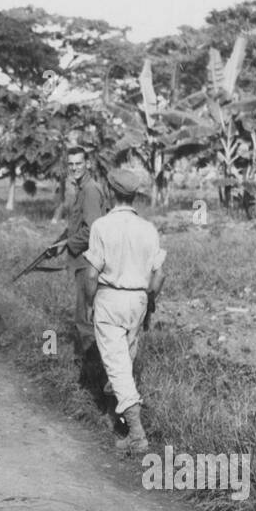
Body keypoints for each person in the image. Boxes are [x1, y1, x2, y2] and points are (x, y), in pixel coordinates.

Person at [81, 167, 167, 451]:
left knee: (117, 364)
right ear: (134, 196)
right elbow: (159, 275)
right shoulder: (148, 228)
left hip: (110, 297)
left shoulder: (102, 227)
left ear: (109, 192)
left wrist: (90, 302)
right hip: (138, 299)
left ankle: (137, 434)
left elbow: (91, 275)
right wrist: (149, 301)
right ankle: (113, 411)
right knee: (124, 359)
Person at [57, 146, 107, 369]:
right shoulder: (80, 189)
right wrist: (59, 241)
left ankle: (93, 368)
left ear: (87, 163)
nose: (75, 167)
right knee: (85, 314)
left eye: (79, 163)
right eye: (71, 164)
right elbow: (78, 226)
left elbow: (93, 229)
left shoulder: (90, 190)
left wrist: (69, 243)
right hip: (81, 261)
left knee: (84, 317)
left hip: (88, 262)